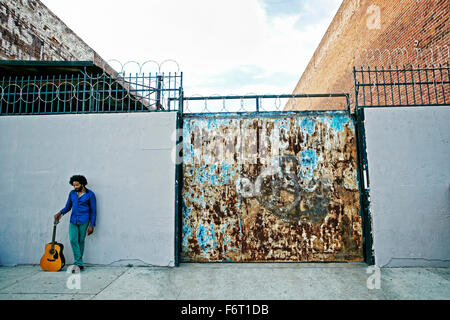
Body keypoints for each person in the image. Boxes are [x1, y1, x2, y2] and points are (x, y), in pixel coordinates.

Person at [54, 175, 97, 271]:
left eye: (77, 185)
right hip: (73, 220)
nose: (75, 187)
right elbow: (68, 207)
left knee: (81, 241)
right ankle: (79, 262)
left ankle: (78, 264)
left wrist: (92, 225)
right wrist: (60, 213)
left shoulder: (90, 194)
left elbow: (93, 211)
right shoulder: (72, 193)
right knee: (73, 240)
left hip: (84, 220)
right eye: (74, 185)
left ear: (82, 184)